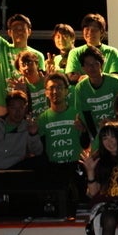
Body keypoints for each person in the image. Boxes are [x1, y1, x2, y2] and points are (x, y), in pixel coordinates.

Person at [37, 72, 87, 214]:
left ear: (67, 91)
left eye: (59, 87)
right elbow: (41, 149)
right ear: (46, 93)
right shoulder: (42, 119)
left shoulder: (78, 114)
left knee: (80, 207)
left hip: (75, 167)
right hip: (54, 170)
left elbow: (86, 144)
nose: (55, 91)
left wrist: (83, 131)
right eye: (51, 88)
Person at [0, 0, 45, 117]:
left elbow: (39, 84)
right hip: (1, 106)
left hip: (25, 107)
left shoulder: (37, 55)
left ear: (29, 31)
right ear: (9, 32)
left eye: (22, 28)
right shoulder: (2, 47)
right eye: (15, 29)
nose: (19, 31)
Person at [0, 90, 45, 189]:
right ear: (8, 108)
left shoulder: (27, 126)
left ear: (25, 108)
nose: (18, 112)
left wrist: (33, 134)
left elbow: (37, 151)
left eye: (21, 108)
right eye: (13, 108)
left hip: (15, 171)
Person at [71, 46, 118, 143]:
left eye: (95, 64)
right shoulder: (80, 88)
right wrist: (96, 139)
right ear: (83, 68)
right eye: (88, 64)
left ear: (101, 64)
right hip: (96, 132)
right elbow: (85, 116)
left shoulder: (116, 82)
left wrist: (114, 124)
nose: (92, 67)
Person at [65, 13, 118, 81]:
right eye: (87, 29)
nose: (90, 32)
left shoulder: (111, 52)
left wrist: (87, 78)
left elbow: (115, 76)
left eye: (95, 30)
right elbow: (72, 77)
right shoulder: (75, 52)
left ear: (102, 32)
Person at [10, 50, 47, 117]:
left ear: (36, 64)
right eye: (23, 65)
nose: (27, 67)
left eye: (30, 63)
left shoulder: (47, 78)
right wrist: (23, 94)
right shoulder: (19, 86)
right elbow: (20, 114)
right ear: (19, 70)